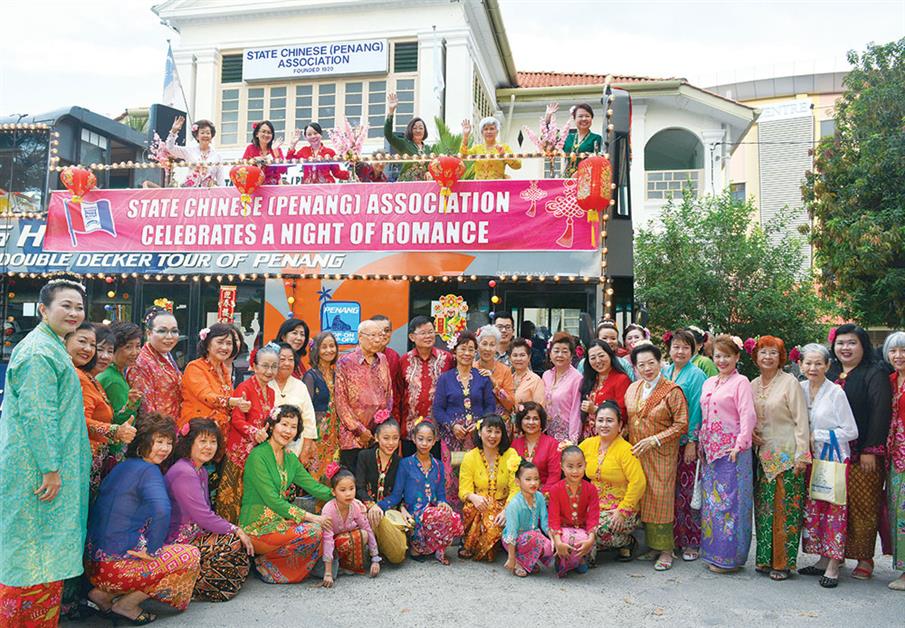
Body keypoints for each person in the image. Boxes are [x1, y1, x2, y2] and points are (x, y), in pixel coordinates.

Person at [0, 279, 91, 627]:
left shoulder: (51, 346)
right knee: (30, 558)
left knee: (43, 557)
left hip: (45, 471)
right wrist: (51, 468)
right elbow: (38, 415)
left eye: (78, 307)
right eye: (65, 305)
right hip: (38, 474)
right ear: (43, 309)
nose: (74, 313)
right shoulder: (39, 352)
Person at [86, 415, 201, 624]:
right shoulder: (149, 471)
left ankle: (102, 595)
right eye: (159, 441)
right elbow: (162, 511)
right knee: (190, 555)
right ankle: (126, 605)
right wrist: (153, 550)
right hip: (116, 569)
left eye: (168, 442)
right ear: (143, 441)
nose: (165, 448)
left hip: (92, 566)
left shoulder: (123, 466)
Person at [239, 405, 332, 584]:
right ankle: (265, 566)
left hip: (278, 523)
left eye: (293, 426)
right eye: (284, 424)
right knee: (313, 530)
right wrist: (312, 517)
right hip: (255, 527)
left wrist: (344, 497)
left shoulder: (289, 458)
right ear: (272, 425)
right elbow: (273, 500)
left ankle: (269, 562)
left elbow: (313, 486)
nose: (288, 431)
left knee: (321, 530)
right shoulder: (258, 456)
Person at [827, 323, 891, 580]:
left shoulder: (874, 373)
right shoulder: (830, 371)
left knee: (864, 506)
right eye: (841, 343)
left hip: (862, 453)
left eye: (852, 342)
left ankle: (865, 558)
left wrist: (870, 449)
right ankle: (836, 553)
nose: (846, 348)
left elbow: (880, 412)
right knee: (835, 505)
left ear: (863, 345)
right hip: (833, 452)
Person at [164, 418, 253, 602]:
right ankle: (192, 587)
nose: (209, 447)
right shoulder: (184, 471)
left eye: (213, 441)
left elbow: (205, 512)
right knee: (232, 541)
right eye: (203, 441)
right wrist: (235, 529)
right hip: (177, 539)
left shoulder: (200, 470)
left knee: (235, 544)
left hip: (195, 534)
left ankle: (200, 583)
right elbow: (203, 516)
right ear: (190, 443)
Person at [796, 344, 859, 589]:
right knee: (815, 510)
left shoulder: (836, 393)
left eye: (818, 363)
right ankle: (822, 559)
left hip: (832, 459)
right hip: (809, 459)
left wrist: (818, 435)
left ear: (827, 365)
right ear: (800, 365)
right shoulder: (799, 388)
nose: (812, 368)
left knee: (834, 511)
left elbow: (851, 431)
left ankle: (834, 564)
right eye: (808, 363)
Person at [750, 336, 811, 580]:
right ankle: (764, 559)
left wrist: (802, 455)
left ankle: (783, 563)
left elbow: (801, 421)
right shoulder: (752, 384)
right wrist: (750, 433)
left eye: (773, 352)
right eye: (763, 352)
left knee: (786, 511)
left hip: (787, 455)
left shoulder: (790, 382)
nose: (768, 357)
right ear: (756, 357)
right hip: (763, 457)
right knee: (765, 510)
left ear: (781, 357)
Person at [625, 343, 688, 571]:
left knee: (660, 498)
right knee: (643, 496)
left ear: (660, 362)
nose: (647, 368)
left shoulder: (672, 390)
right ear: (635, 367)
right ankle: (652, 546)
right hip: (637, 451)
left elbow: (681, 424)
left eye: (651, 363)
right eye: (641, 365)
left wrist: (655, 439)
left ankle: (666, 550)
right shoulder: (633, 388)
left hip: (661, 453)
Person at [699, 335, 756, 573]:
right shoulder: (709, 382)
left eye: (727, 356)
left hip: (732, 452)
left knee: (731, 504)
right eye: (718, 356)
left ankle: (730, 559)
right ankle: (713, 553)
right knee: (712, 504)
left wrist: (740, 444)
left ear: (736, 357)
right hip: (710, 453)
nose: (722, 360)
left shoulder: (741, 382)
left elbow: (747, 415)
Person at [377, 420, 463, 564]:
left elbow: (441, 494)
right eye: (421, 439)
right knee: (436, 516)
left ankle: (437, 547)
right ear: (414, 439)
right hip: (414, 512)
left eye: (429, 440)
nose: (424, 443)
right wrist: (378, 506)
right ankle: (417, 547)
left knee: (452, 516)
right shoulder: (405, 464)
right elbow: (396, 495)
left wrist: (443, 503)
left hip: (433, 510)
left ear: (434, 441)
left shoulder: (438, 465)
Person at [67, 321, 136, 493]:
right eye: (100, 349)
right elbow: (80, 422)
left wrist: (129, 406)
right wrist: (115, 431)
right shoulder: (80, 378)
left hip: (96, 461)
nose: (105, 356)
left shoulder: (92, 379)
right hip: (85, 461)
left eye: (110, 351)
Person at [216, 344, 279, 523]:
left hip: (256, 453)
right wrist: (254, 432)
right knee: (231, 496)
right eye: (265, 366)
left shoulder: (271, 392)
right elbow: (236, 419)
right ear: (255, 366)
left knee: (250, 496)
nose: (269, 371)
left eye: (274, 366)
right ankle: (228, 534)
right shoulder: (244, 388)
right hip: (238, 452)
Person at [432, 332, 495, 507]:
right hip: (452, 439)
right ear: (455, 351)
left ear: (475, 352)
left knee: (477, 477)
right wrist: (452, 426)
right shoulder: (445, 378)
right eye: (463, 349)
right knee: (451, 479)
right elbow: (438, 409)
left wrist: (480, 424)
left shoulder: (482, 377)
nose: (467, 353)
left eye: (471, 349)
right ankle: (452, 518)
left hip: (477, 439)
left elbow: (490, 407)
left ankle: (474, 517)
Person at [662, 329, 707, 561]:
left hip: (685, 441)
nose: (680, 351)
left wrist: (692, 441)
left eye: (685, 347)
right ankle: (672, 540)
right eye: (676, 347)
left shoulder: (697, 375)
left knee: (688, 493)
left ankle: (692, 542)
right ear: (669, 349)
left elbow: (697, 409)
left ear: (694, 350)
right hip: (666, 441)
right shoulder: (664, 371)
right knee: (669, 493)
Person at [579, 402, 646, 561]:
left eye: (609, 421)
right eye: (600, 420)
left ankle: (628, 542)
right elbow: (571, 460)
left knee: (596, 529)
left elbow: (638, 482)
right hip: (594, 505)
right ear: (594, 423)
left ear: (620, 425)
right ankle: (589, 553)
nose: (604, 425)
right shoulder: (588, 444)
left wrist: (623, 511)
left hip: (620, 509)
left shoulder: (626, 450)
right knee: (574, 521)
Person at [458, 415, 521, 561]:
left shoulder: (511, 454)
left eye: (497, 432)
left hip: (504, 506)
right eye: (489, 430)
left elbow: (516, 488)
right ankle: (475, 541)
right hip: (480, 505)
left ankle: (492, 542)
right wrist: (474, 497)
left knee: (495, 525)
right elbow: (463, 490)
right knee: (471, 508)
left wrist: (507, 510)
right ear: (480, 432)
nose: (493, 436)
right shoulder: (470, 457)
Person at [334, 320, 394, 469]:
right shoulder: (345, 362)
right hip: (352, 437)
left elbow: (388, 395)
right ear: (360, 336)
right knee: (352, 477)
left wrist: (380, 426)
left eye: (380, 335)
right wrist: (360, 430)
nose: (378, 339)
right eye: (373, 335)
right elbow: (341, 402)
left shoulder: (382, 359)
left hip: (377, 435)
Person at [397, 315, 453, 456]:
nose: (428, 336)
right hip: (410, 430)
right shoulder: (404, 360)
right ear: (412, 337)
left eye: (431, 332)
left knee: (437, 467)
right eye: (423, 333)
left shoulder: (447, 359)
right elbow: (398, 394)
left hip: (438, 431)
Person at [355, 417, 408, 565]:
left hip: (389, 513)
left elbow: (398, 494)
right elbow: (359, 487)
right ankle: (375, 549)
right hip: (365, 510)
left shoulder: (400, 462)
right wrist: (371, 505)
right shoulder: (364, 456)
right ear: (377, 437)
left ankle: (378, 548)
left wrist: (382, 507)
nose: (391, 443)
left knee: (398, 554)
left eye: (395, 438)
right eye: (386, 438)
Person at [180, 323, 251, 432]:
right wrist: (232, 401)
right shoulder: (195, 367)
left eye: (229, 343)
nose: (224, 347)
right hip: (197, 432)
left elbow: (228, 404)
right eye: (220, 342)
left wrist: (241, 405)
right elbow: (207, 396)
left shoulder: (224, 370)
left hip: (219, 432)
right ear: (207, 345)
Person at [320, 467, 380, 587]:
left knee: (363, 534)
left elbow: (367, 528)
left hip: (344, 541)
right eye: (342, 490)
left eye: (351, 488)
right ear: (333, 492)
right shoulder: (328, 509)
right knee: (337, 540)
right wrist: (328, 573)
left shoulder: (355, 506)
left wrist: (375, 559)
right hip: (328, 546)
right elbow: (327, 539)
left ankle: (345, 566)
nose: (348, 494)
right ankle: (331, 566)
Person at [548, 445, 600, 576]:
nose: (575, 471)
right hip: (562, 531)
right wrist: (558, 541)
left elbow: (593, 516)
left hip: (582, 530)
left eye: (579, 466)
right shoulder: (555, 489)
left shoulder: (591, 489)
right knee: (566, 539)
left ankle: (578, 559)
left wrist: (590, 539)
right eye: (570, 466)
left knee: (583, 539)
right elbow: (553, 519)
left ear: (585, 465)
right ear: (562, 466)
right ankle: (563, 559)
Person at [128, 306, 183, 421]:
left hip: (174, 425)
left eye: (174, 331)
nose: (169, 337)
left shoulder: (167, 355)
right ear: (149, 333)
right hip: (157, 428)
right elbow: (146, 410)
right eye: (162, 331)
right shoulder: (141, 363)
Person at [503, 460, 553, 577]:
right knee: (534, 537)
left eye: (536, 479)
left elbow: (545, 522)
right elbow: (511, 533)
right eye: (528, 479)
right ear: (518, 482)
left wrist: (554, 538)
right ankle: (517, 562)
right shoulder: (514, 504)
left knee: (549, 547)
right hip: (514, 540)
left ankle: (526, 561)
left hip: (534, 537)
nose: (533, 483)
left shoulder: (539, 497)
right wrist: (511, 558)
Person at [96, 322, 142, 444]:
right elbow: (119, 420)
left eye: (138, 346)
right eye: (128, 347)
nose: (135, 352)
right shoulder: (113, 380)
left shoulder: (112, 372)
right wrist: (131, 405)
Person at [303, 331, 340, 482]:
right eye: (324, 347)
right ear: (316, 350)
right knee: (316, 475)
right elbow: (306, 410)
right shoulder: (310, 376)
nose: (329, 350)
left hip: (335, 434)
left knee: (334, 474)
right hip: (318, 434)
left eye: (332, 346)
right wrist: (309, 438)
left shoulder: (337, 374)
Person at [271, 343, 317, 462]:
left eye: (291, 360)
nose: (287, 363)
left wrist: (305, 450)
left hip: (295, 451)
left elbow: (309, 421)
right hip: (268, 449)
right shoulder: (266, 383)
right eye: (282, 359)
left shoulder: (300, 386)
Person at [884, 331, 905, 591]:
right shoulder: (890, 380)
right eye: (893, 350)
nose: (898, 356)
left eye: (903, 350)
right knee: (898, 511)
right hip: (894, 455)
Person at [579, 339, 631, 438]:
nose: (598, 360)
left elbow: (623, 413)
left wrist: (596, 410)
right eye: (593, 358)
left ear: (610, 355)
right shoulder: (590, 380)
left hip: (610, 437)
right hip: (588, 437)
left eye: (601, 356)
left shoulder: (621, 379)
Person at [510, 402, 560, 495]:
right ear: (521, 421)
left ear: (541, 422)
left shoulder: (552, 444)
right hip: (519, 496)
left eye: (535, 419)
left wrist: (541, 497)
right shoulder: (515, 444)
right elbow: (511, 476)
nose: (531, 422)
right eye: (527, 418)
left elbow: (554, 476)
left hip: (544, 496)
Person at [543, 332, 584, 443]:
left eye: (565, 351)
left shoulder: (577, 378)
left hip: (566, 435)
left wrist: (572, 439)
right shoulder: (546, 375)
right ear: (550, 354)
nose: (560, 355)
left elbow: (576, 411)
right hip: (547, 433)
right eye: (556, 351)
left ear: (571, 355)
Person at [545, 102, 603, 177]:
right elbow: (550, 135)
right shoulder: (567, 137)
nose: (584, 119)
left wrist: (580, 172)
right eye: (580, 116)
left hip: (586, 178)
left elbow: (597, 162)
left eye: (587, 116)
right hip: (567, 178)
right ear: (574, 118)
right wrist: (548, 117)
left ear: (591, 118)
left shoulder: (596, 138)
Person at [384, 92, 432, 181]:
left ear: (424, 131)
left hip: (424, 186)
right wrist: (391, 111)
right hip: (406, 185)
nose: (418, 130)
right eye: (415, 128)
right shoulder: (404, 144)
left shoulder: (428, 149)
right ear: (410, 130)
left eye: (421, 128)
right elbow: (388, 135)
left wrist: (429, 172)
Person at [165, 116, 223, 187]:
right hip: (189, 190)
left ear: (211, 136)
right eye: (202, 133)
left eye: (208, 133)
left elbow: (221, 178)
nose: (205, 135)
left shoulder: (217, 156)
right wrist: (173, 131)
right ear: (197, 136)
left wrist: (223, 191)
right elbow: (170, 148)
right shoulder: (189, 151)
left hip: (208, 191)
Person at [476, 325, 516, 427]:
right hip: (475, 421)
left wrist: (495, 385)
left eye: (492, 345)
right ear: (477, 346)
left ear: (497, 347)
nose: (488, 349)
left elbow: (510, 405)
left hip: (499, 424)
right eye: (484, 344)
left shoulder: (505, 370)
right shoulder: (471, 368)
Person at [242, 120, 286, 185]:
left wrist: (275, 151)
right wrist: (255, 161)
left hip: (273, 186)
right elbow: (243, 169)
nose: (266, 135)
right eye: (263, 131)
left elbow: (283, 171)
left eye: (269, 132)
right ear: (257, 134)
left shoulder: (276, 149)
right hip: (255, 186)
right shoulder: (250, 148)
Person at [511, 338, 545, 407]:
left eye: (522, 355)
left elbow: (539, 408)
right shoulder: (509, 378)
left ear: (529, 357)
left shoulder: (535, 380)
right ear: (510, 358)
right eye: (515, 355)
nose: (518, 359)